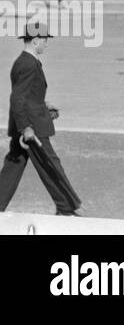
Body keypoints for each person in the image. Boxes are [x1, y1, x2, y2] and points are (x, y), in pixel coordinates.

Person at [0, 21, 83, 216]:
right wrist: (26, 128)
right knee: (50, 164)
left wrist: (44, 105)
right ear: (36, 40)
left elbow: (26, 96)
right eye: (45, 40)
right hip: (32, 128)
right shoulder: (28, 64)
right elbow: (17, 99)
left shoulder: (25, 61)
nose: (47, 43)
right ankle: (66, 207)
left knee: (14, 165)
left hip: (30, 122)